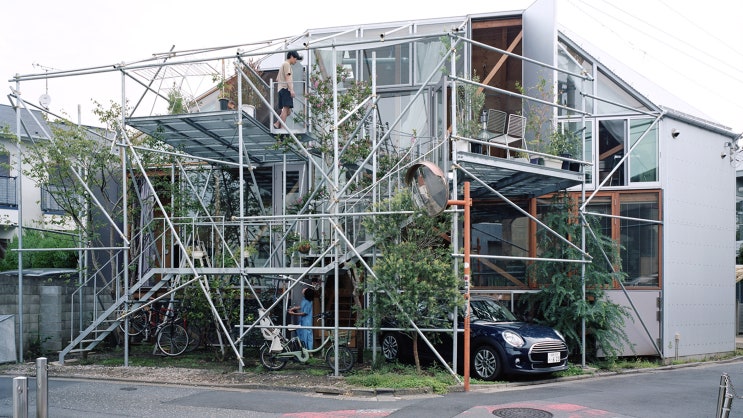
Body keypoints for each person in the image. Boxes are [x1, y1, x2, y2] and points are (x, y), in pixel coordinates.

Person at [273, 50, 303, 129]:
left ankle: (277, 123)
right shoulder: (287, 65)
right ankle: (282, 128)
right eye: (296, 59)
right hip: (285, 89)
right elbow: (288, 77)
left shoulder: (283, 65)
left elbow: (277, 79)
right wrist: (291, 89)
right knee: (286, 109)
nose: (296, 61)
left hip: (280, 89)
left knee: (288, 111)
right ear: (292, 57)